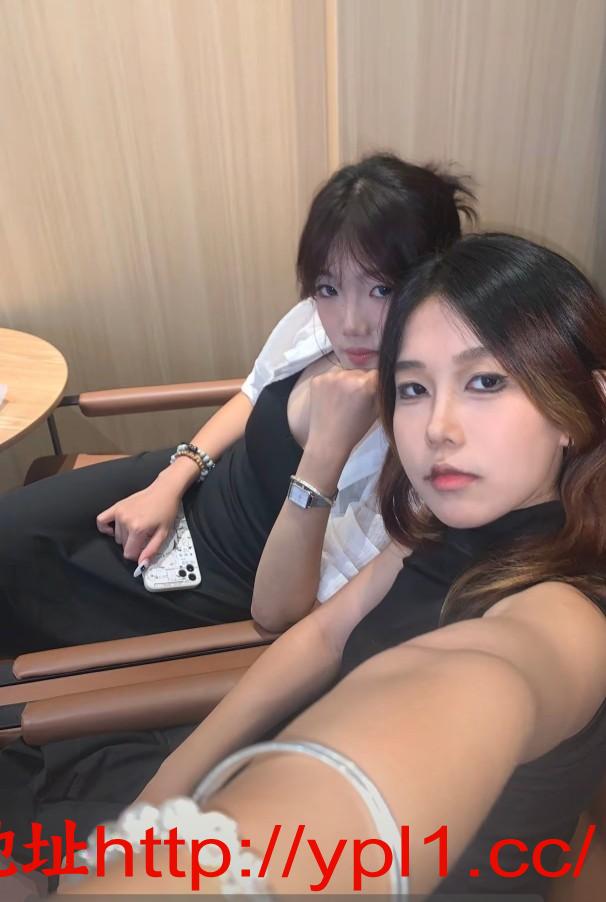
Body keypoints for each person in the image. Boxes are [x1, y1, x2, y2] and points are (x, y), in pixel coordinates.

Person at [64, 233, 606, 898]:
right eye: (413, 388)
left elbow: (466, 688)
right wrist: (153, 804)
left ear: (582, 408)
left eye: (486, 381)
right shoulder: (441, 530)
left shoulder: (565, 616)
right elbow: (320, 634)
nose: (437, 427)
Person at [0, 153, 474, 654]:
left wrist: (326, 450)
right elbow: (252, 394)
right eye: (329, 286)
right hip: (197, 482)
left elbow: (281, 613)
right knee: (8, 533)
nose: (350, 322)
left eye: (381, 288)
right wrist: (172, 481)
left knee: (28, 612)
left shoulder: (419, 441)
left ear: (433, 278)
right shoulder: (314, 324)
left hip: (222, 577)